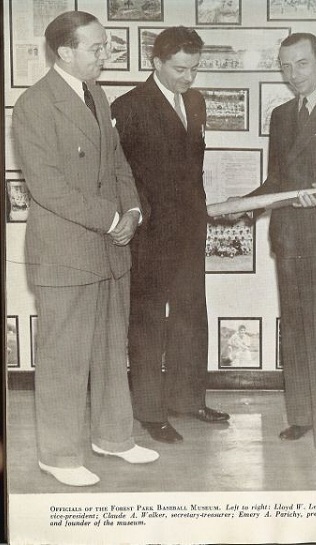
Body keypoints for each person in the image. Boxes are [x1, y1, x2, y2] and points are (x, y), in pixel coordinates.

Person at [12, 11, 159, 487]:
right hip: (66, 251)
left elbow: (118, 165)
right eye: (97, 48)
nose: (106, 55)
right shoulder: (34, 105)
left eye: (106, 46)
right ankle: (58, 454)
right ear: (65, 52)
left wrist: (132, 211)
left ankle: (113, 438)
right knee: (64, 356)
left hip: (110, 250)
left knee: (112, 350)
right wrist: (112, 218)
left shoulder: (96, 94)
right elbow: (47, 187)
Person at [224, 33, 316, 471]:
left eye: (302, 64)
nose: (293, 74)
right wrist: (242, 209)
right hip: (287, 237)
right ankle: (303, 417)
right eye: (286, 66)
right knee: (299, 331)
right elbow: (276, 182)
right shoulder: (282, 115)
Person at [111, 26, 229, 444]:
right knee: (147, 322)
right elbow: (119, 175)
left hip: (191, 229)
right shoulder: (128, 106)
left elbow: (191, 167)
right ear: (156, 62)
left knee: (191, 315)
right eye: (180, 69)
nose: (188, 78)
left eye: (194, 69)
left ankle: (187, 399)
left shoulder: (195, 103)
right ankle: (149, 410)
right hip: (150, 235)